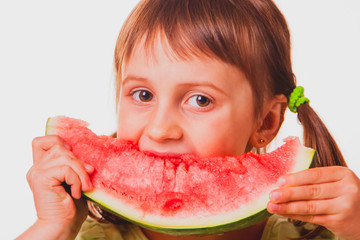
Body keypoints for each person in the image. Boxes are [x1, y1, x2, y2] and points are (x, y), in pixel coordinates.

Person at [18, 0, 360, 239]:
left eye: (200, 100)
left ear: (266, 122)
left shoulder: (314, 232)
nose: (160, 128)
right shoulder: (91, 235)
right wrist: (52, 228)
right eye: (143, 95)